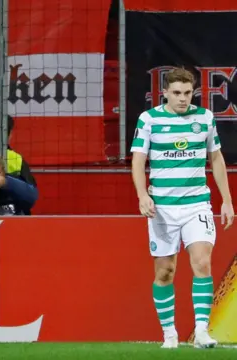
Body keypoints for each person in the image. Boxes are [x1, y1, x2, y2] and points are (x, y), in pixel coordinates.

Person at [130, 67, 235, 349]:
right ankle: (170, 334)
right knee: (165, 271)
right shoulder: (149, 119)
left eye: (187, 93)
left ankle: (201, 331)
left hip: (196, 204)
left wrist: (226, 199)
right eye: (176, 93)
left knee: (202, 262)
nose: (182, 99)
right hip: (162, 208)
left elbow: (216, 158)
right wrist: (142, 195)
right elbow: (138, 160)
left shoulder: (204, 118)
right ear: (165, 92)